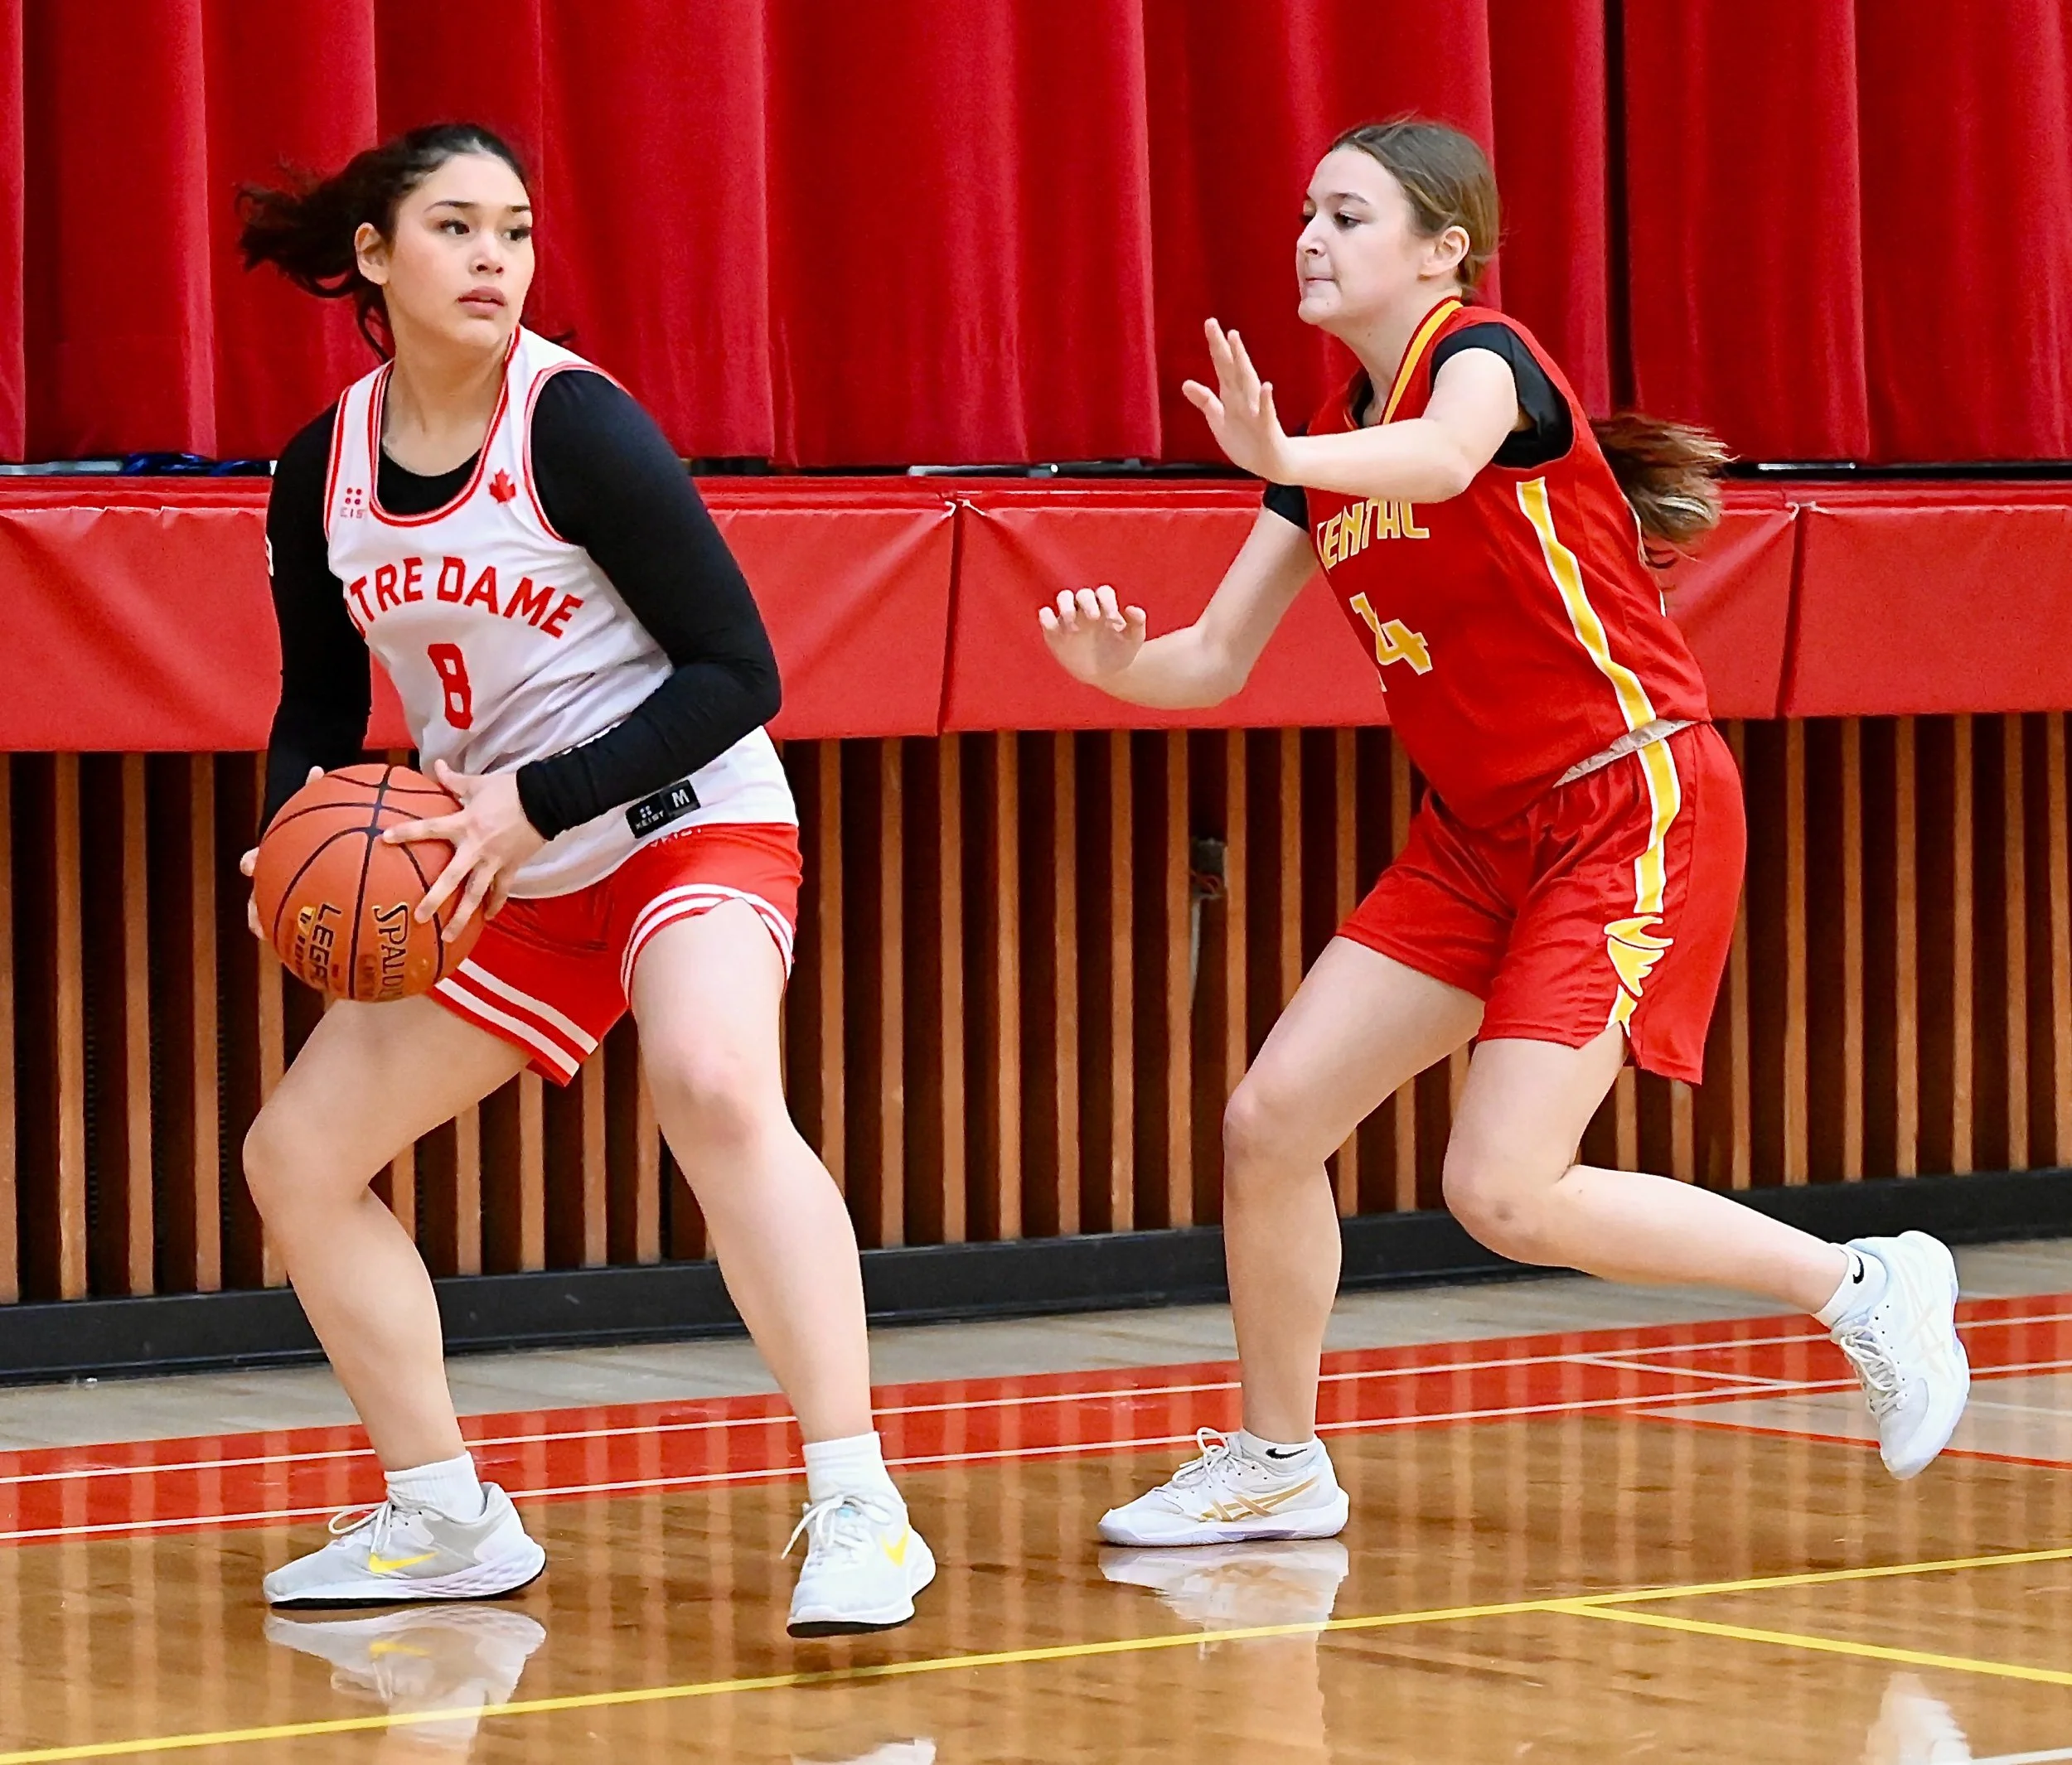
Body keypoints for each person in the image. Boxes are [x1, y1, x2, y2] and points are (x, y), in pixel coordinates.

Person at [1039, 118, 1969, 1547]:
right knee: (1271, 1125)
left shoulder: (1484, 359)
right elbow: (1214, 660)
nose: (1310, 236)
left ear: (1441, 248)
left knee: (1502, 1188)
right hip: (1477, 835)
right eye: (1306, 211)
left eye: (1348, 215)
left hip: (1625, 796)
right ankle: (1280, 1459)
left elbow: (1444, 456)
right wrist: (1117, 668)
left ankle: (1862, 1283)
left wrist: (1289, 444)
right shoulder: (1330, 455)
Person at [237, 122, 932, 1634]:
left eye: (519, 231)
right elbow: (313, 702)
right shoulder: (323, 470)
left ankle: (857, 1496)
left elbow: (739, 671)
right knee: (293, 1157)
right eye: (459, 229)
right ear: (372, 255)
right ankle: (441, 1513)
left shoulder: (575, 426)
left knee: (714, 1080)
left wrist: (529, 801)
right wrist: (286, 833)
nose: (496, 260)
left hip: (682, 813)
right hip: (499, 864)